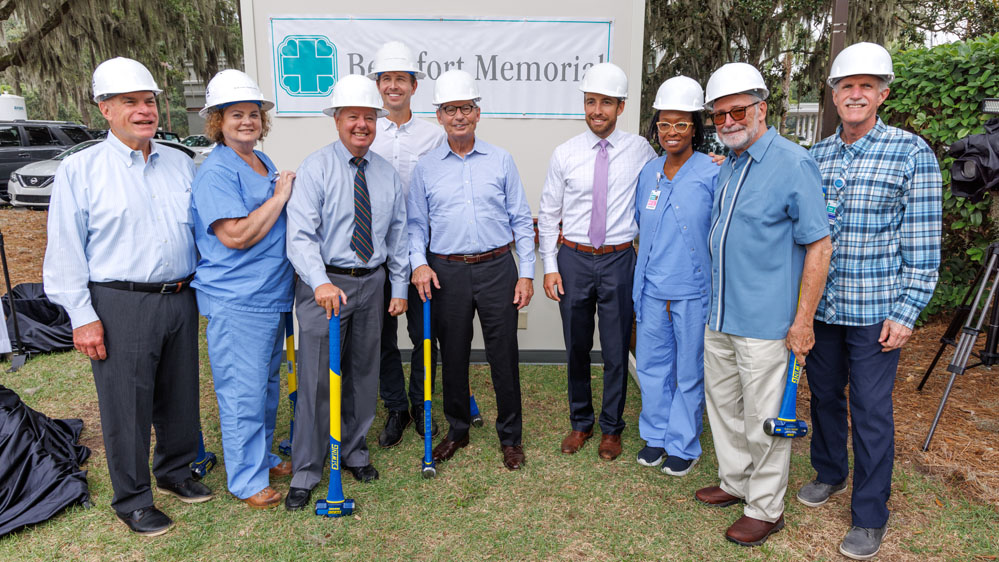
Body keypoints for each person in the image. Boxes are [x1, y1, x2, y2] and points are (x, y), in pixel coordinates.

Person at [43, 57, 212, 536]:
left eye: (150, 101)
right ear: (105, 110)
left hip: (180, 295)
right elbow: (66, 249)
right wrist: (81, 315)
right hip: (119, 301)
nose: (144, 110)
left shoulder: (181, 163)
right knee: (126, 404)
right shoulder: (81, 170)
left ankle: (176, 472)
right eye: (130, 102)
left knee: (180, 395)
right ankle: (133, 498)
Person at [798, 42, 941, 560]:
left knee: (872, 410)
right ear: (834, 96)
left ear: (882, 94)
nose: (855, 94)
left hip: (876, 315)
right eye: (845, 86)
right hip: (825, 310)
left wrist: (906, 313)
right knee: (825, 398)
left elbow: (924, 245)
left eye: (865, 86)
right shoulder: (817, 156)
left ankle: (870, 514)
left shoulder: (910, 152)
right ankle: (830, 472)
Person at [693, 62, 831, 547]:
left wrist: (803, 321)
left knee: (765, 418)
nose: (727, 122)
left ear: (761, 108)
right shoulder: (729, 164)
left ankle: (766, 507)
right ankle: (736, 482)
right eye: (718, 115)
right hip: (722, 315)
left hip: (768, 323)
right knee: (725, 408)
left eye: (736, 111)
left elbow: (819, 245)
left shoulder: (793, 162)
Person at [284, 75, 409, 510]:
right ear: (337, 120)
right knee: (318, 380)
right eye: (352, 116)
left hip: (372, 283)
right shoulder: (316, 168)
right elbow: (300, 236)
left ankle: (354, 451)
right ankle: (307, 469)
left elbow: (398, 235)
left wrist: (398, 285)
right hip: (325, 285)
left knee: (362, 373)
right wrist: (319, 282)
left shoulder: (388, 174)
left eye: (369, 116)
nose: (362, 124)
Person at [409, 70, 535, 471]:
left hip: (498, 267)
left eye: (465, 108)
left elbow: (521, 217)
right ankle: (458, 429)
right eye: (450, 109)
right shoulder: (426, 167)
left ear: (477, 113)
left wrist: (526, 272)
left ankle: (510, 436)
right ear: (440, 116)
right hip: (447, 271)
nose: (459, 116)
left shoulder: (501, 160)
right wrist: (419, 264)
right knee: (455, 355)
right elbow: (415, 226)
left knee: (504, 354)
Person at [538, 62, 655, 461]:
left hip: (619, 259)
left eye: (606, 102)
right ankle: (580, 423)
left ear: (621, 107)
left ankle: (611, 428)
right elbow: (549, 212)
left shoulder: (640, 150)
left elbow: (670, 177)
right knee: (576, 347)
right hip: (572, 258)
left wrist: (712, 163)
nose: (597, 111)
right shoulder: (565, 153)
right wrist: (550, 267)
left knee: (616, 348)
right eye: (591, 102)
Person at [191, 69, 296, 509]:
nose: (248, 121)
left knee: (266, 386)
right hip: (238, 299)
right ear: (218, 120)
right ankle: (246, 478)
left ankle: (263, 455)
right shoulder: (216, 170)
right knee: (243, 392)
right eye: (237, 115)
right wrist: (279, 197)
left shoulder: (260, 160)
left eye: (254, 114)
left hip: (270, 296)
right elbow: (234, 235)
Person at [632, 76, 718, 475]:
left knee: (688, 369)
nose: (671, 132)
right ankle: (655, 436)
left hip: (692, 291)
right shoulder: (648, 173)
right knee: (651, 366)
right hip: (651, 289)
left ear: (696, 128)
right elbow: (640, 225)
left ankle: (683, 441)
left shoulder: (713, 171)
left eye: (681, 124)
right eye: (664, 124)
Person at [367, 41, 447, 447]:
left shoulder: (434, 136)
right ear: (377, 85)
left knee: (423, 334)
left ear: (414, 85)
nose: (393, 86)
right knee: (382, 336)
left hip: (421, 253)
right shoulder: (366, 131)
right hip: (375, 254)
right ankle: (395, 406)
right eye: (386, 79)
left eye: (401, 79)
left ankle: (422, 403)